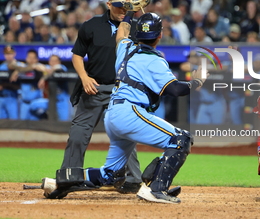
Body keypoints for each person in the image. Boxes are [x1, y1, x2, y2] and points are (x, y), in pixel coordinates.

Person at [47, 11, 206, 203]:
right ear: (160, 35)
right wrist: (196, 83)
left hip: (113, 114)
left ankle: (60, 181)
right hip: (130, 113)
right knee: (182, 139)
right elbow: (174, 89)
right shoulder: (154, 60)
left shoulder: (126, 48)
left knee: (111, 174)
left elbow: (121, 32)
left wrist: (131, 11)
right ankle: (156, 189)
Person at [42, 0, 142, 198]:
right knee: (78, 134)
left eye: (126, 7)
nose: (122, 10)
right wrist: (84, 78)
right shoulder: (92, 25)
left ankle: (132, 181)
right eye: (118, 6)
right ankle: (69, 177)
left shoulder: (136, 28)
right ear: (108, 5)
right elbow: (77, 56)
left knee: (125, 134)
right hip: (94, 88)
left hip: (121, 90)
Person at [0, 45, 24, 119]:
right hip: (2, 97)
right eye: (6, 54)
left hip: (13, 98)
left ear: (14, 54)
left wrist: (17, 70)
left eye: (10, 53)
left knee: (14, 122)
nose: (8, 56)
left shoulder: (20, 65)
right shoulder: (2, 67)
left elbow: (27, 69)